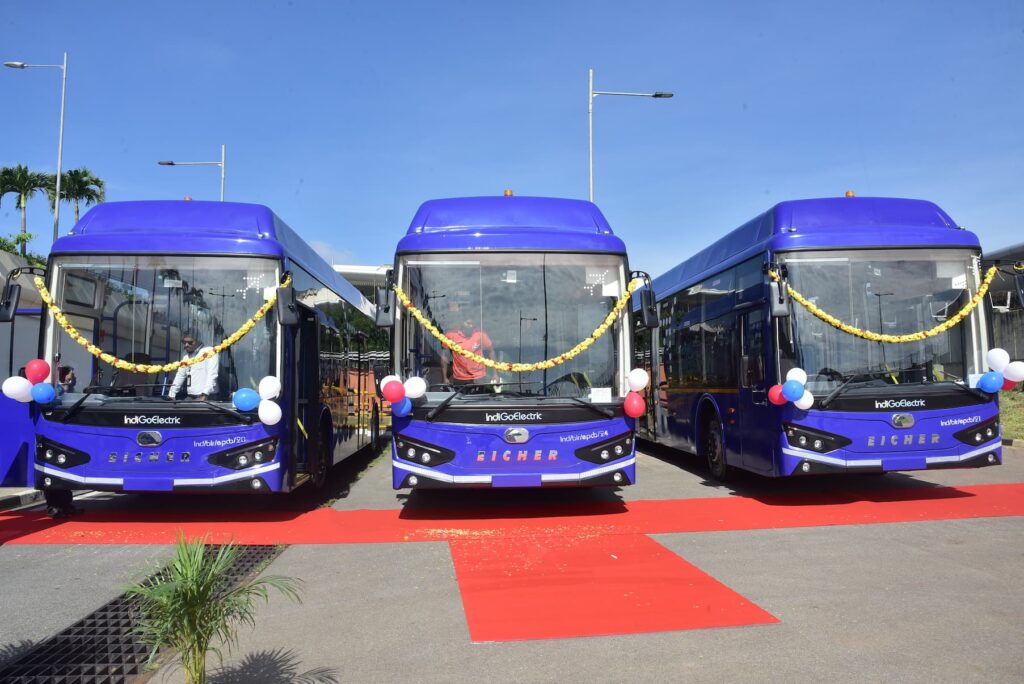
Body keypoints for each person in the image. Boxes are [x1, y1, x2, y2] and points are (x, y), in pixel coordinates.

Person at [440, 314, 500, 387]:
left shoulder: (480, 334)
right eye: (468, 323)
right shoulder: (451, 335)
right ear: (462, 322)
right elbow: (444, 356)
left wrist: (495, 374)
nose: (470, 326)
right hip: (459, 378)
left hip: (479, 377)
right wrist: (444, 377)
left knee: (479, 398)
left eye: (472, 324)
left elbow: (491, 352)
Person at [168, 332, 219, 400]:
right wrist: (172, 394)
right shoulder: (185, 354)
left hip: (208, 396)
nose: (186, 345)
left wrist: (205, 394)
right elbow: (180, 374)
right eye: (184, 342)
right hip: (191, 396)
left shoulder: (209, 351)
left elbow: (212, 374)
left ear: (198, 341)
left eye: (190, 342)